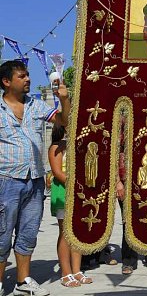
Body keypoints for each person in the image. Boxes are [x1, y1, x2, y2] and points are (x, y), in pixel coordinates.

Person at [0, 60, 70, 296]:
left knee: (28, 232)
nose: (28, 79)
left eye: (28, 75)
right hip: (6, 179)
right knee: (2, 234)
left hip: (35, 180)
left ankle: (23, 281)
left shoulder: (36, 105)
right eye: (22, 76)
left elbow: (64, 121)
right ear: (6, 82)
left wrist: (64, 99)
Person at [115, 115, 147, 275]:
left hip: (146, 179)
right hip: (125, 179)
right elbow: (113, 155)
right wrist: (117, 181)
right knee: (128, 220)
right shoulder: (120, 126)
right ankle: (128, 261)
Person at [48, 125, 93, 288]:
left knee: (78, 233)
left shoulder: (78, 145)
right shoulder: (56, 146)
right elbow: (57, 172)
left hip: (79, 194)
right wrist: (78, 183)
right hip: (63, 193)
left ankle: (77, 270)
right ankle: (65, 272)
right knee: (66, 233)